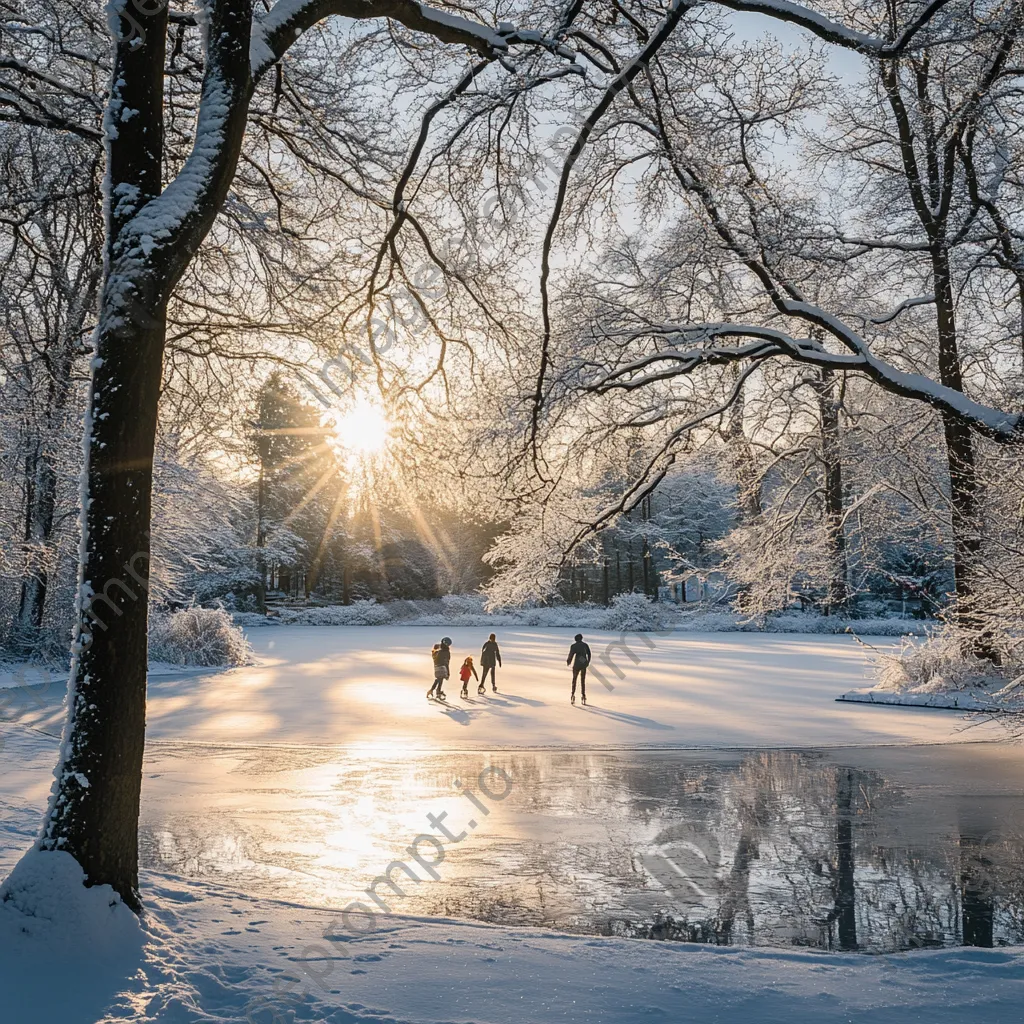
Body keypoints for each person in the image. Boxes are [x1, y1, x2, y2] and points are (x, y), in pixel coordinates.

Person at [566, 633, 591, 705]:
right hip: (583, 664)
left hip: (576, 664)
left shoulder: (573, 646)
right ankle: (583, 695)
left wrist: (569, 661)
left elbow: (571, 654)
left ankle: (573, 694)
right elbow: (589, 654)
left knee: (574, 679)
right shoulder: (585, 645)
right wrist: (587, 662)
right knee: (583, 680)